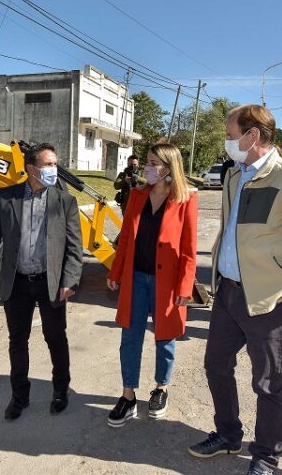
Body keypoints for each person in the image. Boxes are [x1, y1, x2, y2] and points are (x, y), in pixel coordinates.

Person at [188, 105, 282, 475]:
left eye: (230, 135)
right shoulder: (234, 176)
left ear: (252, 136)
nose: (227, 142)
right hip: (228, 293)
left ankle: (265, 456)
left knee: (268, 383)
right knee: (215, 366)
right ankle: (228, 435)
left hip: (269, 300)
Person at [0, 142, 83, 420]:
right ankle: (19, 396)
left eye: (55, 164)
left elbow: (74, 246)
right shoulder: (7, 198)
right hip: (18, 281)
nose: (53, 169)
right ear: (31, 169)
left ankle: (61, 390)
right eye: (48, 165)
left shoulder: (64, 201)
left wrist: (70, 279)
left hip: (51, 281)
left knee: (56, 338)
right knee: (17, 340)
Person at [105, 143, 198, 427]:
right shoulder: (137, 195)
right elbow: (126, 240)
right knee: (130, 337)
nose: (147, 167)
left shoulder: (186, 199)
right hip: (135, 279)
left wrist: (185, 288)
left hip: (167, 283)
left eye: (153, 162)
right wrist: (116, 271)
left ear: (169, 167)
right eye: (147, 161)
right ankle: (128, 394)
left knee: (165, 337)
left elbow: (189, 249)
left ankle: (161, 388)